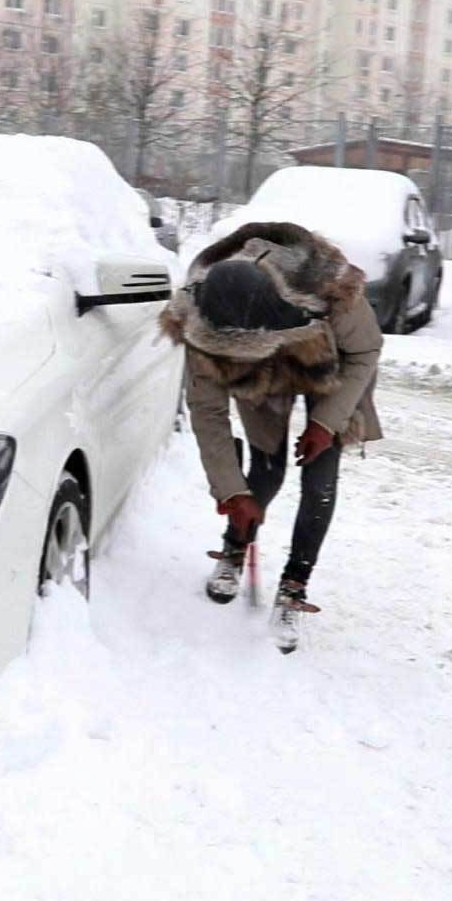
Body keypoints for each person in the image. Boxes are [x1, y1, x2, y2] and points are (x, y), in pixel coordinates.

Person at [158, 221, 383, 653]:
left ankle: (294, 585)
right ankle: (234, 547)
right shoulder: (198, 319)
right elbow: (208, 411)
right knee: (264, 469)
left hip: (330, 369)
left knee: (320, 477)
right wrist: (230, 491)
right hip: (258, 379)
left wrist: (325, 425)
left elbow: (365, 351)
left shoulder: (329, 287)